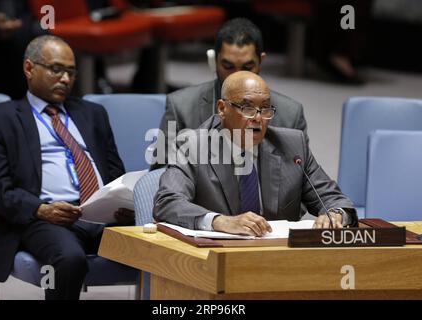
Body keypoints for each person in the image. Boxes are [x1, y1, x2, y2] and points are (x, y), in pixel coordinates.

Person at [0, 35, 132, 300]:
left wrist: (125, 204)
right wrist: (41, 209)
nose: (65, 79)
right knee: (69, 259)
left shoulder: (92, 113)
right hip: (43, 217)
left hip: (101, 216)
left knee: (163, 251)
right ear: (29, 68)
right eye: (56, 69)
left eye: (71, 72)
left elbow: (115, 172)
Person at [153, 71, 357, 235]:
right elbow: (167, 202)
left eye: (265, 109)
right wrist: (220, 221)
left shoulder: (293, 146)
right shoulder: (192, 146)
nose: (258, 118)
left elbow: (334, 199)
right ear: (222, 108)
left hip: (279, 261)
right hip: (213, 260)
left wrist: (336, 215)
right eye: (247, 108)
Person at [151, 17, 307, 169]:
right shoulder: (181, 108)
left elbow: (303, 180)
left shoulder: (291, 116)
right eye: (228, 66)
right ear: (214, 61)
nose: (237, 76)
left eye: (247, 67)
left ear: (261, 60)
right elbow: (159, 176)